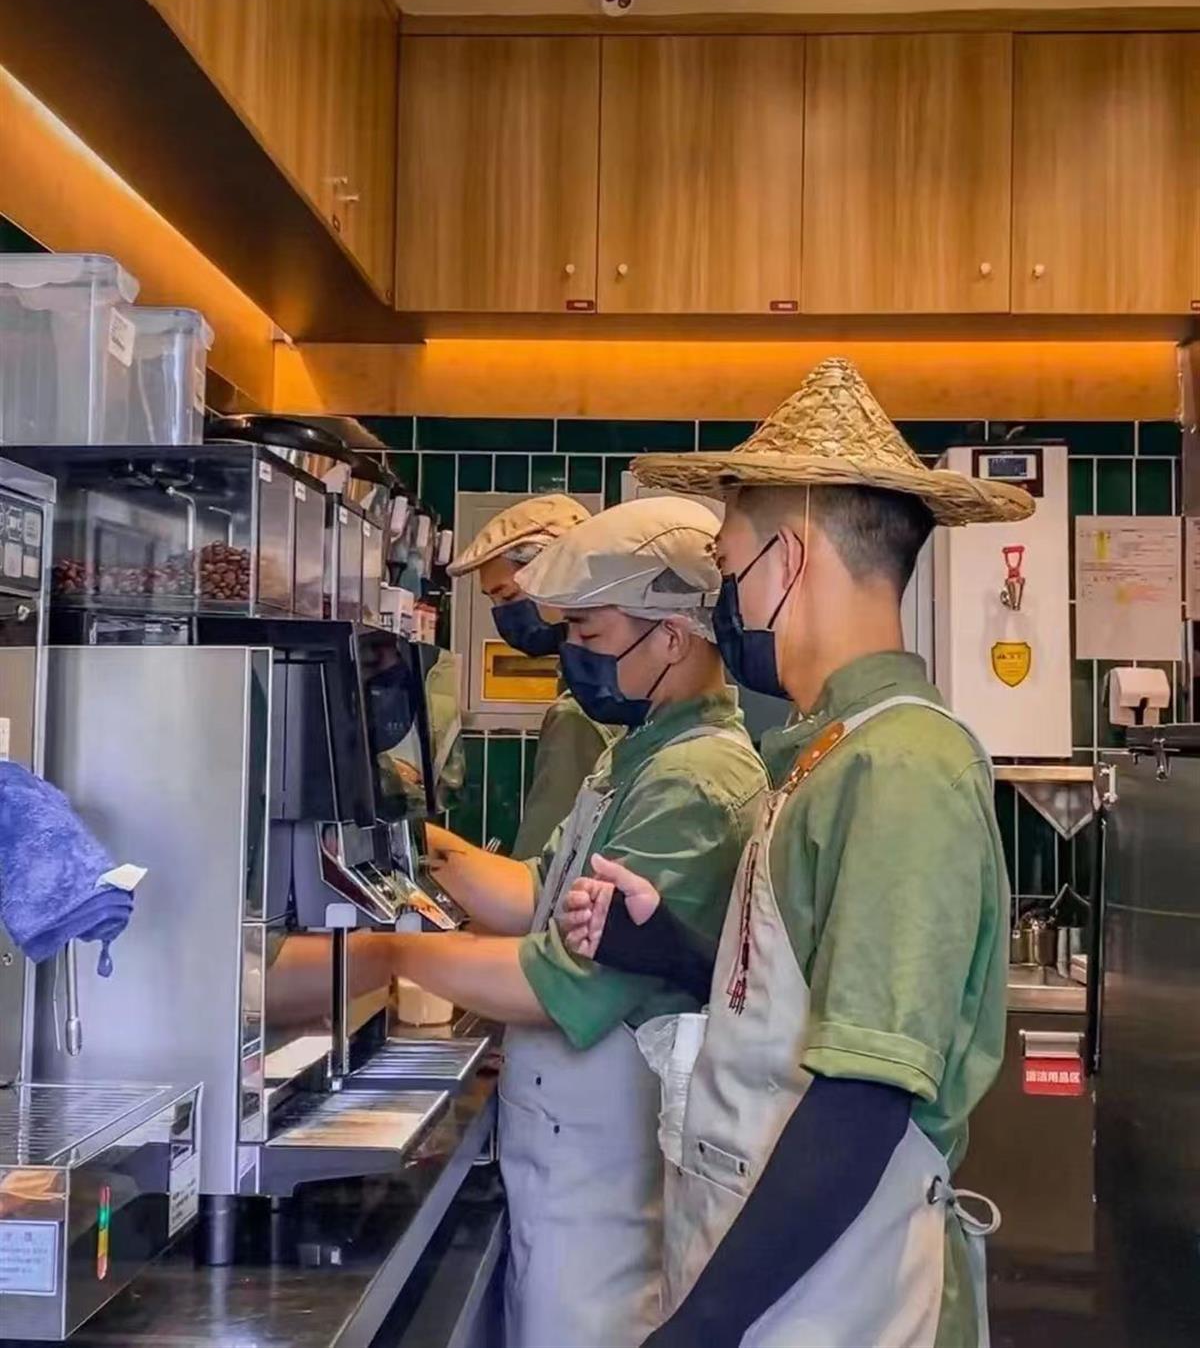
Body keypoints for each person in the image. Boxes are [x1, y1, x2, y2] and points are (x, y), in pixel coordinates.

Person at [561, 357, 1034, 1348]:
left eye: (727, 567)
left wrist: (701, 1327)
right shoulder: (823, 750)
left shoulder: (902, 766)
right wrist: (672, 950)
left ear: (788, 558)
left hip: (841, 1304)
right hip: (775, 1287)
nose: (721, 603)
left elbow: (865, 1092)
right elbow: (805, 1006)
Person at [384, 496, 768, 1348]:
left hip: (606, 1179)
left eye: (589, 633)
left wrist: (389, 956)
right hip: (565, 1155)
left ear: (672, 638)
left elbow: (567, 984)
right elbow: (538, 891)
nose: (575, 655)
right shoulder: (641, 751)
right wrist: (417, 844)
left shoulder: (694, 780)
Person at [445, 493, 619, 859]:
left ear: (559, 579)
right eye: (494, 601)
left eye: (508, 597)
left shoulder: (580, 714)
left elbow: (540, 872)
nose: (502, 616)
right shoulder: (602, 689)